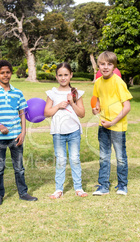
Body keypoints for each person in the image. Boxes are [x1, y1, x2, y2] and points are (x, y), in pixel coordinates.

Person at [0, 60, 38, 205]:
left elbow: (22, 114)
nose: (5, 75)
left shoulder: (18, 93)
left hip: (16, 136)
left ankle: (23, 193)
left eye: (8, 72)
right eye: (2, 73)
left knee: (19, 167)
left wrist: (23, 133)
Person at [44, 62, 87, 199]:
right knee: (61, 160)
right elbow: (46, 113)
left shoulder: (76, 93)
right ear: (56, 77)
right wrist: (58, 106)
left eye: (66, 75)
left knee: (74, 159)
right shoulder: (52, 93)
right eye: (60, 75)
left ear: (71, 75)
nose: (63, 78)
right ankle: (58, 189)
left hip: (73, 131)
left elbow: (82, 114)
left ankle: (78, 188)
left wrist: (72, 102)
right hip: (58, 132)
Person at [92, 51, 132, 196]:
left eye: (109, 64)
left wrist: (112, 122)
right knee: (104, 156)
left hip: (118, 127)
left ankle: (122, 185)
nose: (105, 67)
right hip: (103, 126)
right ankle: (103, 186)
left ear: (114, 66)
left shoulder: (119, 82)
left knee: (120, 157)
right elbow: (98, 101)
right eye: (102, 64)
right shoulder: (98, 82)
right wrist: (96, 109)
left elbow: (127, 107)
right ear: (98, 66)